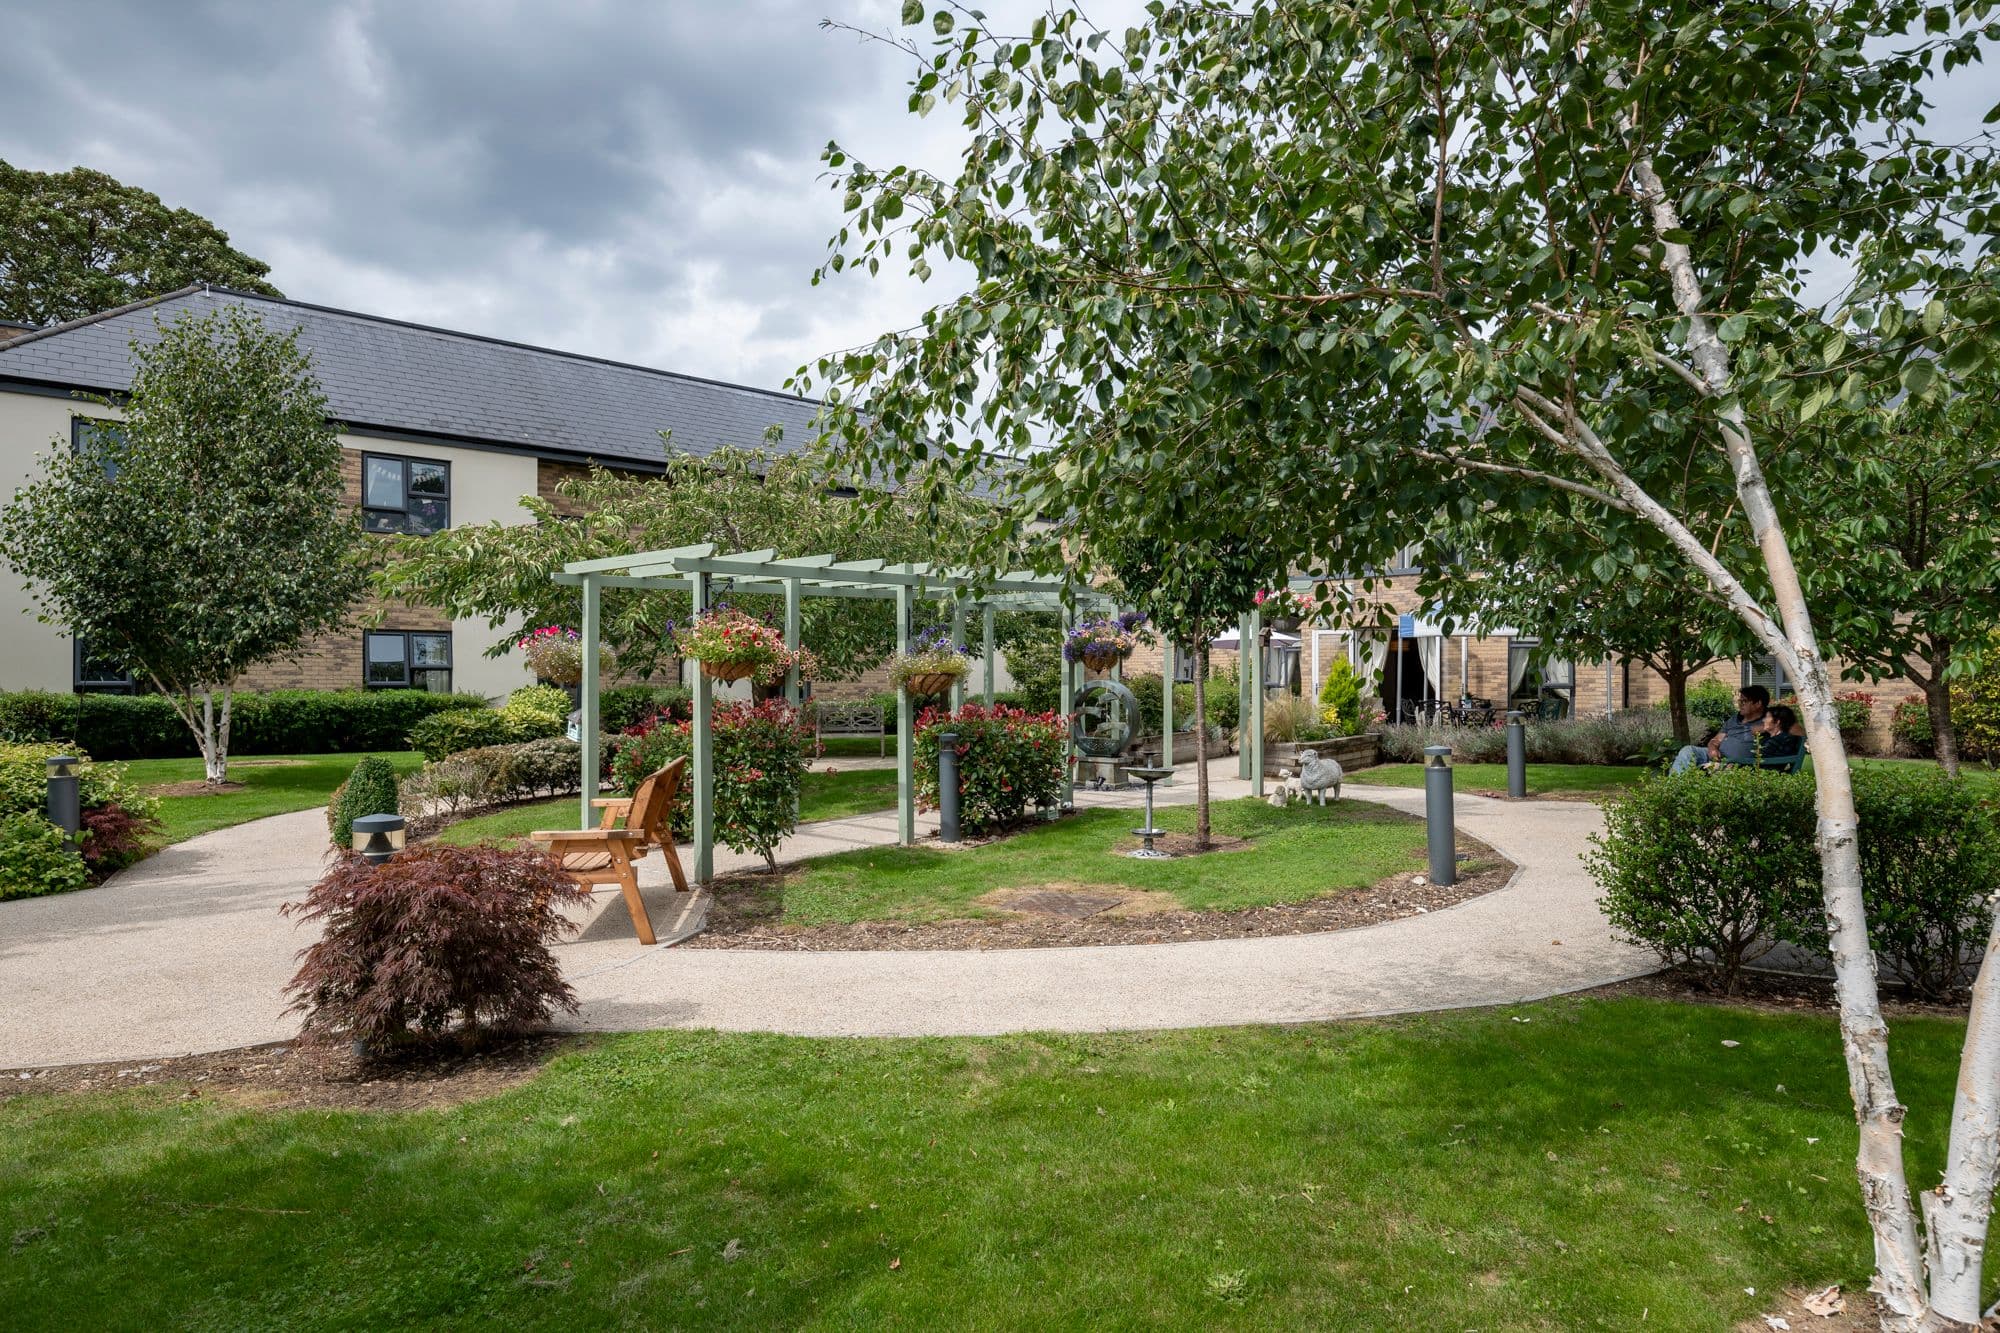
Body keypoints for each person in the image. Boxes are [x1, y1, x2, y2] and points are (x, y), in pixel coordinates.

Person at [1669, 685, 1771, 775]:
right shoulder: (1734, 719)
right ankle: (1673, 787)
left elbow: (1784, 727)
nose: (1740, 704)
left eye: (1744, 701)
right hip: (1717, 756)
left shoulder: (1770, 720)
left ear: (1758, 703)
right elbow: (1717, 739)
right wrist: (1713, 748)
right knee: (1688, 750)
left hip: (1737, 765)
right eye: (1740, 701)